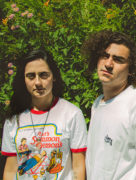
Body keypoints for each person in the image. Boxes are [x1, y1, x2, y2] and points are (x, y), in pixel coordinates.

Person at [82, 30, 136, 180]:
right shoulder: (97, 104)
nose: (108, 64)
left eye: (118, 59)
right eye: (104, 55)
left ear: (131, 69)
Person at [1, 50, 87, 180]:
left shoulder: (72, 114)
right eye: (31, 76)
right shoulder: (14, 118)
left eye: (43, 75)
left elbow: (79, 166)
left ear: (54, 76)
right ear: (23, 80)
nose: (38, 82)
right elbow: (10, 169)